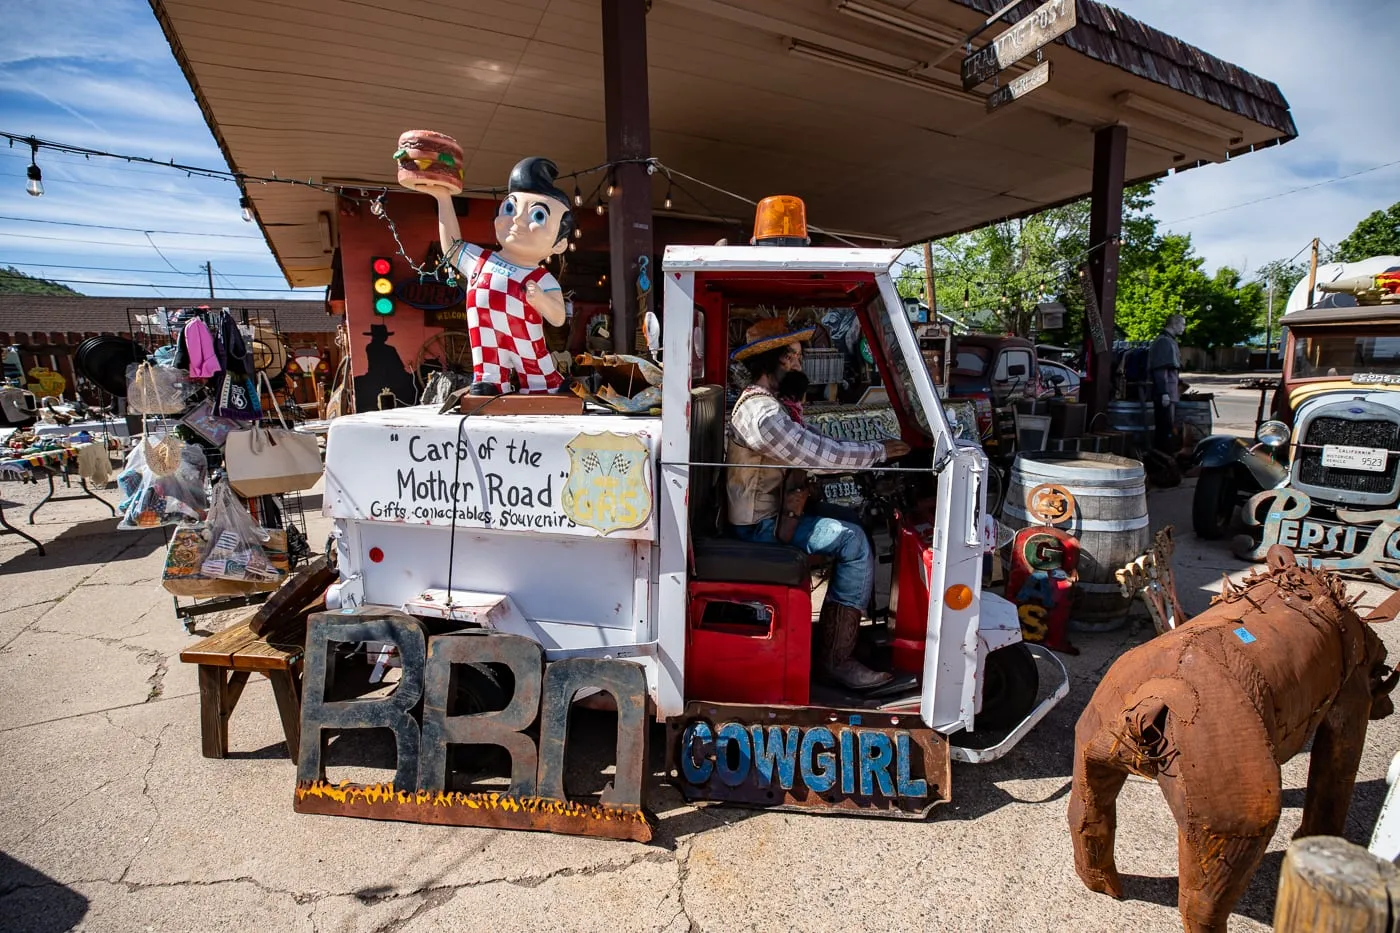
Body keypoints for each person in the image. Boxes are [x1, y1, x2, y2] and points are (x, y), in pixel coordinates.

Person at [726, 319, 910, 691]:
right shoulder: (761, 414)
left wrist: (877, 447)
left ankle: (846, 637)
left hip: (773, 514)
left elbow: (812, 440)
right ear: (767, 363)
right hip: (758, 525)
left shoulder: (774, 407)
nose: (797, 365)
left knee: (852, 518)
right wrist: (877, 452)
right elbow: (815, 454)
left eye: (797, 357)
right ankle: (835, 661)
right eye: (790, 358)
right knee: (853, 541)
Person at [422, 156, 574, 396]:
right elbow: (452, 248)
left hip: (526, 343)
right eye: (510, 208)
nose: (518, 219)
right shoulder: (481, 260)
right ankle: (490, 379)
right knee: (486, 360)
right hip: (486, 342)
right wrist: (443, 198)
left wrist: (542, 300)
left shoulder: (541, 277)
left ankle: (542, 382)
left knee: (535, 366)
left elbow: (557, 318)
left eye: (538, 216)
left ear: (560, 245)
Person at [1148, 314, 1185, 452]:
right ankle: (1163, 461)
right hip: (1166, 394)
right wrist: (1164, 393)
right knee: (1164, 429)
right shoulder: (1164, 342)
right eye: (1182, 324)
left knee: (1167, 428)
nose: (1184, 327)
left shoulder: (1169, 341)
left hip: (1170, 393)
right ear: (1174, 324)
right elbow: (1160, 370)